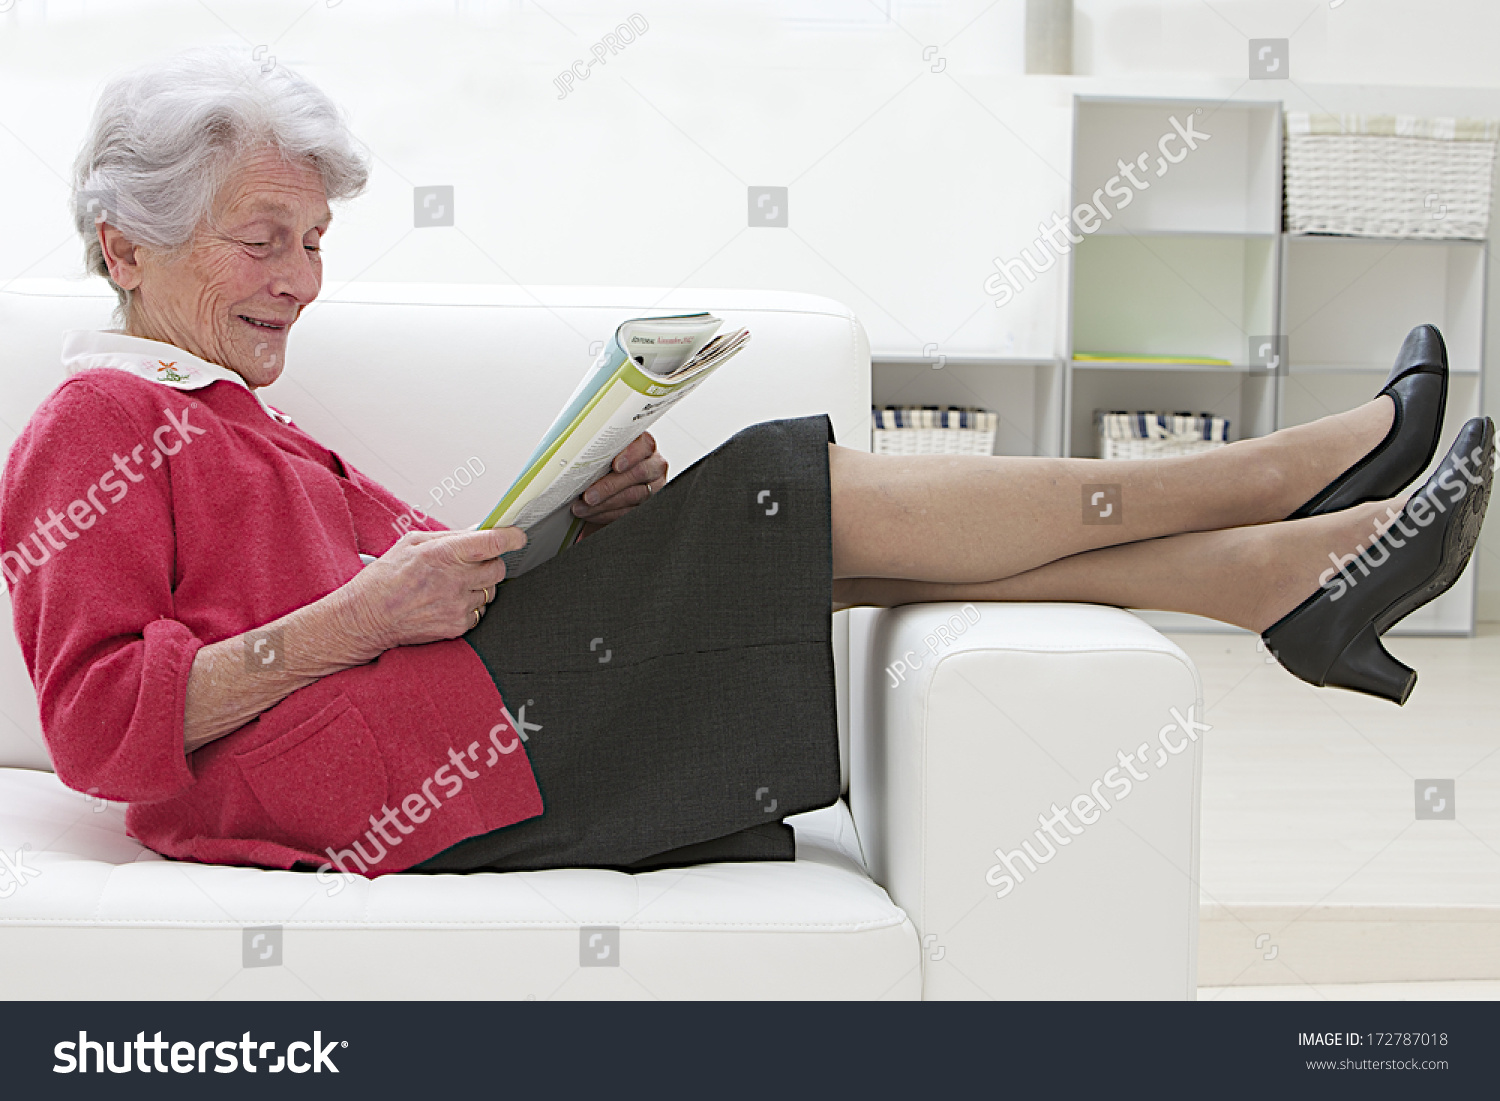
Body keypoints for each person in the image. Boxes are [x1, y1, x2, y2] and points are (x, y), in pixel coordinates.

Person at [2, 50, 1491, 881]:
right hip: (378, 781)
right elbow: (96, 728)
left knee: (793, 518)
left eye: (317, 242)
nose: (300, 280)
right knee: (794, 490)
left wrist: (565, 518)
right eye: (264, 239)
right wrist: (365, 615)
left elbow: (420, 585)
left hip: (434, 714)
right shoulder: (98, 425)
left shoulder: (238, 412)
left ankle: (1272, 576)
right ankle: (1280, 483)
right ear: (125, 244)